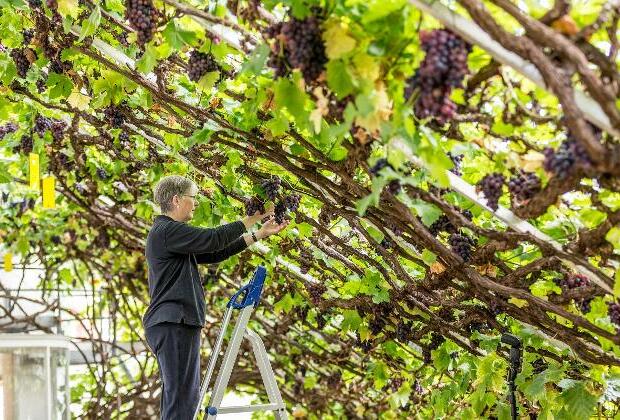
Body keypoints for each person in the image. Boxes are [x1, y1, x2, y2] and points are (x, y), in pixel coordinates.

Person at [143, 175, 288, 419]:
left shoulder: (170, 236)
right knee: (182, 400)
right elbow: (211, 239)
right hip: (174, 321)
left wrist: (257, 234)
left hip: (173, 322)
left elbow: (214, 253)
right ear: (177, 200)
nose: (196, 203)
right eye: (193, 197)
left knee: (180, 398)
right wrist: (251, 218)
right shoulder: (167, 231)